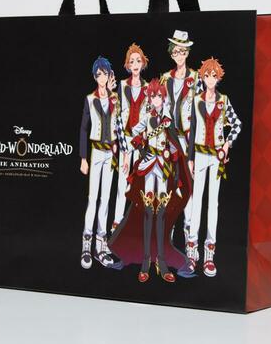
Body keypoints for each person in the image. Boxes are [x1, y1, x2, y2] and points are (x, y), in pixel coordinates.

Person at [109, 79, 194, 282]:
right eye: (153, 96)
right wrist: (136, 142)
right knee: (148, 212)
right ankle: (146, 260)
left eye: (158, 96)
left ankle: (161, 261)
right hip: (148, 165)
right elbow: (132, 135)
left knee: (161, 213)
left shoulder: (168, 119)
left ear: (163, 98)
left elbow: (175, 142)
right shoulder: (147, 118)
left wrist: (173, 151)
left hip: (163, 167)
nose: (155, 99)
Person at [187, 58, 242, 277]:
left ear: (218, 78)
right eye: (207, 76)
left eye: (214, 76)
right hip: (200, 154)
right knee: (196, 202)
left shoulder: (224, 101)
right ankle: (192, 251)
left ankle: (209, 253)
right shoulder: (196, 100)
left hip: (216, 156)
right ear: (202, 77)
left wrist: (227, 144)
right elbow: (192, 129)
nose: (210, 79)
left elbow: (237, 124)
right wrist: (190, 157)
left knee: (213, 203)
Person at [79, 56, 125, 269]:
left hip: (111, 154)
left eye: (104, 73)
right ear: (95, 76)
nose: (101, 77)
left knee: (105, 199)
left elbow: (120, 126)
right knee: (92, 198)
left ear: (109, 75)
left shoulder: (115, 98)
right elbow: (83, 128)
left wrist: (124, 154)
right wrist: (83, 158)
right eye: (98, 74)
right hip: (96, 152)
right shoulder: (90, 99)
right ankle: (86, 245)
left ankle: (101, 245)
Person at [159, 30, 203, 240]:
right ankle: (167, 231)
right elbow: (158, 107)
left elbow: (202, 111)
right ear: (171, 53)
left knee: (188, 185)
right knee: (168, 184)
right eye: (176, 51)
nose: (179, 55)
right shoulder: (165, 78)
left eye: (183, 51)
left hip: (188, 139)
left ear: (187, 53)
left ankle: (189, 233)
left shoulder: (197, 78)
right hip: (168, 138)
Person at [112, 43, 150, 232]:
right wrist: (123, 147)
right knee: (122, 181)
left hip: (141, 142)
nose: (135, 64)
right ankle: (117, 222)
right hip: (125, 139)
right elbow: (117, 118)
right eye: (132, 61)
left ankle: (137, 225)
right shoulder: (122, 85)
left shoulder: (148, 88)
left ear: (143, 63)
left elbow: (149, 118)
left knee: (139, 184)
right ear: (127, 65)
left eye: (138, 61)